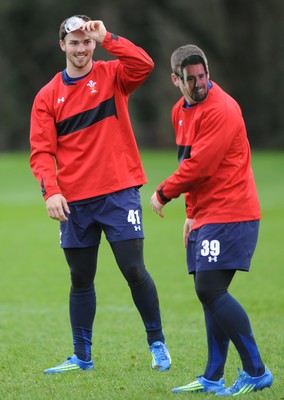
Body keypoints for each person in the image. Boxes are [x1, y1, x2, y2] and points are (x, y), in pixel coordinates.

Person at [30, 15, 171, 374]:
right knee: (80, 278)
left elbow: (144, 64)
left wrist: (108, 37)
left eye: (86, 42)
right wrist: (51, 192)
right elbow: (42, 152)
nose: (81, 48)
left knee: (134, 270)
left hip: (119, 193)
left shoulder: (112, 76)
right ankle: (82, 356)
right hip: (75, 202)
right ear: (62, 45)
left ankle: (157, 345)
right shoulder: (47, 96)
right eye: (74, 42)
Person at [150, 44, 273, 396]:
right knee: (210, 293)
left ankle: (256, 371)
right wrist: (191, 214)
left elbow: (199, 166)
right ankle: (213, 377)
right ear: (176, 80)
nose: (199, 84)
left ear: (208, 72)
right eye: (190, 80)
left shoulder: (222, 109)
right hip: (208, 214)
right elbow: (188, 160)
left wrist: (163, 193)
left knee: (210, 289)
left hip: (233, 212)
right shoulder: (179, 111)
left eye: (203, 76)